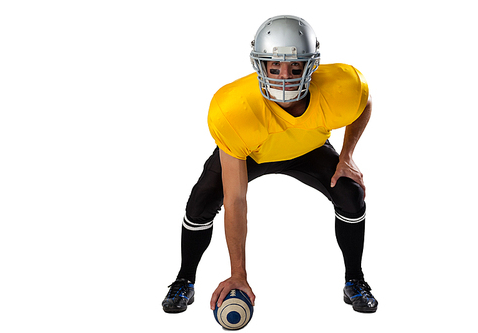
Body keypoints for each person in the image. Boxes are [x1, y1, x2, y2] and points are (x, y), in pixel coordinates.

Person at [162, 15, 378, 315]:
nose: (285, 76)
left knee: (350, 194)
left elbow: (363, 103)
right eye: (274, 67)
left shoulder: (342, 85)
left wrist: (347, 156)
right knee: (200, 203)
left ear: (311, 65)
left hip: (308, 147)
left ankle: (355, 280)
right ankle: (184, 280)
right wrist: (239, 273)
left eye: (295, 66)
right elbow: (236, 200)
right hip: (253, 151)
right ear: (259, 65)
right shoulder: (234, 108)